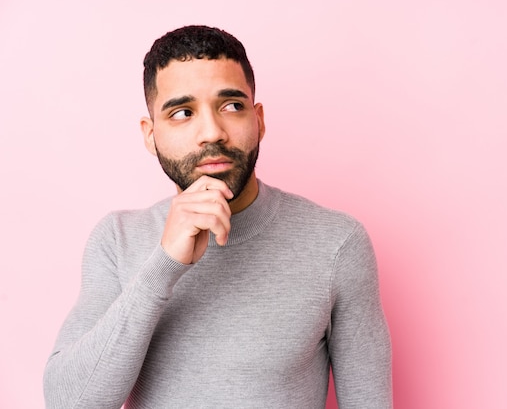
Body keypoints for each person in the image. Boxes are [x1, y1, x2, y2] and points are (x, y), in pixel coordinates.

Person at [43, 25, 392, 409]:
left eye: (231, 106)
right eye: (182, 112)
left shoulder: (337, 243)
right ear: (150, 134)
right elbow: (68, 403)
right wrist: (163, 265)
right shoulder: (117, 239)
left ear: (258, 120)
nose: (211, 132)